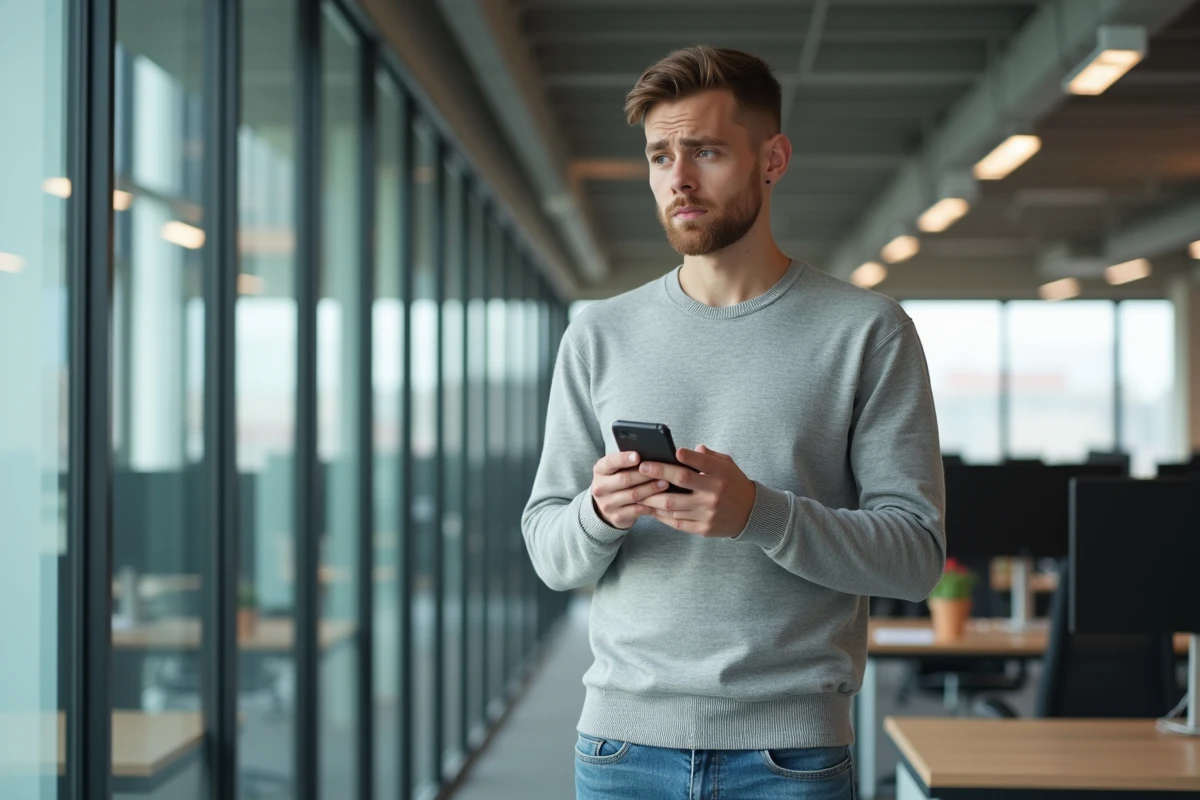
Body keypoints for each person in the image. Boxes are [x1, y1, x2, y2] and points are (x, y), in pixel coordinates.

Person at [521, 45, 946, 799]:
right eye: (659, 155)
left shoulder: (867, 330)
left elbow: (914, 557)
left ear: (773, 159)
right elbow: (552, 555)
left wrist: (760, 514)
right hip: (620, 751)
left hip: (791, 756)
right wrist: (598, 513)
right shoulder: (600, 334)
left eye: (706, 151)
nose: (677, 178)